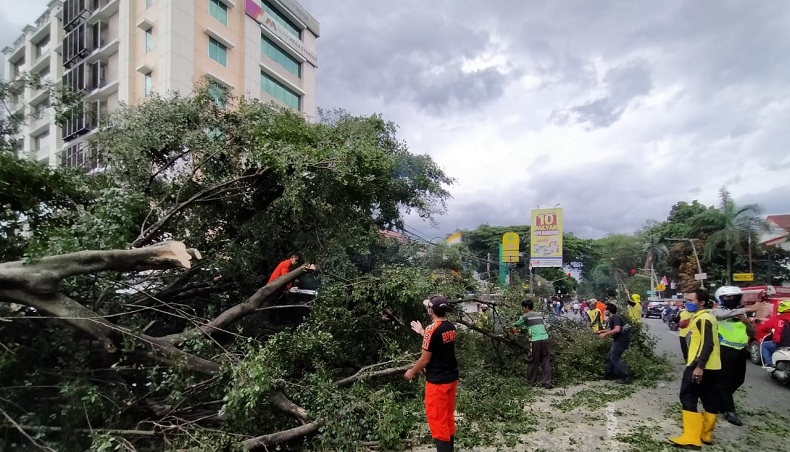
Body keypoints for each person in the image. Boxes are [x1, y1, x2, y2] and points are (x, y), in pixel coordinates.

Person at [668, 289, 721, 448]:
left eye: (691, 300)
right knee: (709, 398)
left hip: (699, 365)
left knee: (687, 397)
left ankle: (691, 438)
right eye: (686, 300)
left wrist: (699, 366)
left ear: (702, 303)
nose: (687, 303)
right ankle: (706, 434)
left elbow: (707, 344)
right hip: (713, 366)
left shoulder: (703, 319)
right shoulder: (705, 317)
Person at [406, 295, 459, 452]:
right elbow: (437, 342)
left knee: (438, 421)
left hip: (437, 383)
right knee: (448, 418)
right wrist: (422, 332)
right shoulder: (451, 326)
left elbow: (424, 360)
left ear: (430, 311)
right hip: (451, 378)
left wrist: (411, 371)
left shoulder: (432, 330)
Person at [711, 286, 762, 427]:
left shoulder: (741, 315)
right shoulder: (717, 311)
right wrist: (748, 310)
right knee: (724, 381)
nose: (731, 299)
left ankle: (720, 399)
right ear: (720, 298)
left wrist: (748, 323)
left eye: (734, 297)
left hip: (740, 351)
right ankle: (729, 411)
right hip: (724, 349)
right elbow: (720, 316)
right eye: (727, 297)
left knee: (739, 380)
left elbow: (751, 334)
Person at [513, 299, 553, 389]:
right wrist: (523, 330)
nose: (523, 309)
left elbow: (516, 325)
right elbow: (534, 327)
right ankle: (548, 383)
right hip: (545, 339)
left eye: (523, 307)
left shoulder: (525, 316)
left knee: (533, 360)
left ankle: (531, 382)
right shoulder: (539, 315)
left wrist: (512, 328)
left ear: (526, 307)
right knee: (546, 361)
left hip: (535, 341)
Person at [596, 303, 632, 384]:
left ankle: (626, 377)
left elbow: (617, 329)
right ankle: (609, 374)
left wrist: (604, 334)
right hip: (619, 340)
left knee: (614, 358)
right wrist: (601, 331)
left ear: (609, 310)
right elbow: (610, 329)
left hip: (621, 341)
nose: (604, 311)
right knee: (610, 356)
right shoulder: (612, 318)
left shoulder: (615, 317)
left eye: (605, 309)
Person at [756, 300, 790, 367]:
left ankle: (769, 363)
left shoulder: (776, 318)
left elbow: (761, 328)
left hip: (780, 344)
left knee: (764, 345)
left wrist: (768, 331)